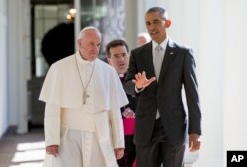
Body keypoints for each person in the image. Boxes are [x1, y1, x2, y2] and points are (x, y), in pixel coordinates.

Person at [39, 26, 128, 167]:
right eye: (91, 44)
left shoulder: (108, 72)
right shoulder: (59, 68)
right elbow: (52, 109)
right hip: (68, 136)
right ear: (79, 43)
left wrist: (119, 143)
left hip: (99, 136)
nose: (95, 48)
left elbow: (114, 112)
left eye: (98, 44)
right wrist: (52, 140)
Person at [124, 7, 202, 167]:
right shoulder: (137, 54)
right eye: (147, 23)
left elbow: (192, 94)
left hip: (174, 128)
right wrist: (137, 86)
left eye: (156, 22)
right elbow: (127, 85)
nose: (151, 27)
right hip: (146, 128)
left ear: (167, 23)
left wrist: (195, 131)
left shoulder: (183, 53)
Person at [106, 39, 137, 167]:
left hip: (138, 137)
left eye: (123, 55)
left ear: (129, 55)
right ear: (109, 60)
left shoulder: (139, 77)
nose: (121, 59)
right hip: (114, 137)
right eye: (116, 56)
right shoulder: (104, 80)